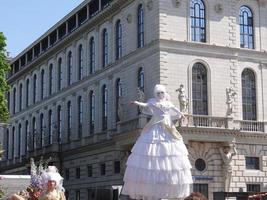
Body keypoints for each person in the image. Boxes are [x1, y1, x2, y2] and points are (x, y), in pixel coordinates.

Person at [121, 84, 193, 200]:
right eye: (158, 93)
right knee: (152, 149)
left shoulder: (168, 103)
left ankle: (166, 183)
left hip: (167, 127)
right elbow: (145, 105)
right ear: (156, 94)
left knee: (170, 151)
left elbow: (175, 110)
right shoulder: (153, 102)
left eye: (162, 93)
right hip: (155, 126)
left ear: (165, 93)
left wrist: (182, 114)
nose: (160, 95)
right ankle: (153, 186)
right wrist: (136, 103)